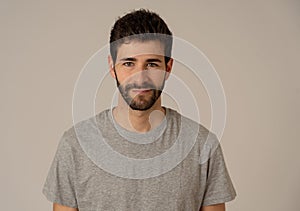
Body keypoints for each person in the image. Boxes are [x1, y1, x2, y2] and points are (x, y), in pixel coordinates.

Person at [42, 9, 236, 211]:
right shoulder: (75, 145)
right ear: (112, 66)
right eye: (128, 63)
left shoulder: (202, 146)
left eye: (152, 64)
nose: (140, 77)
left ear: (168, 68)